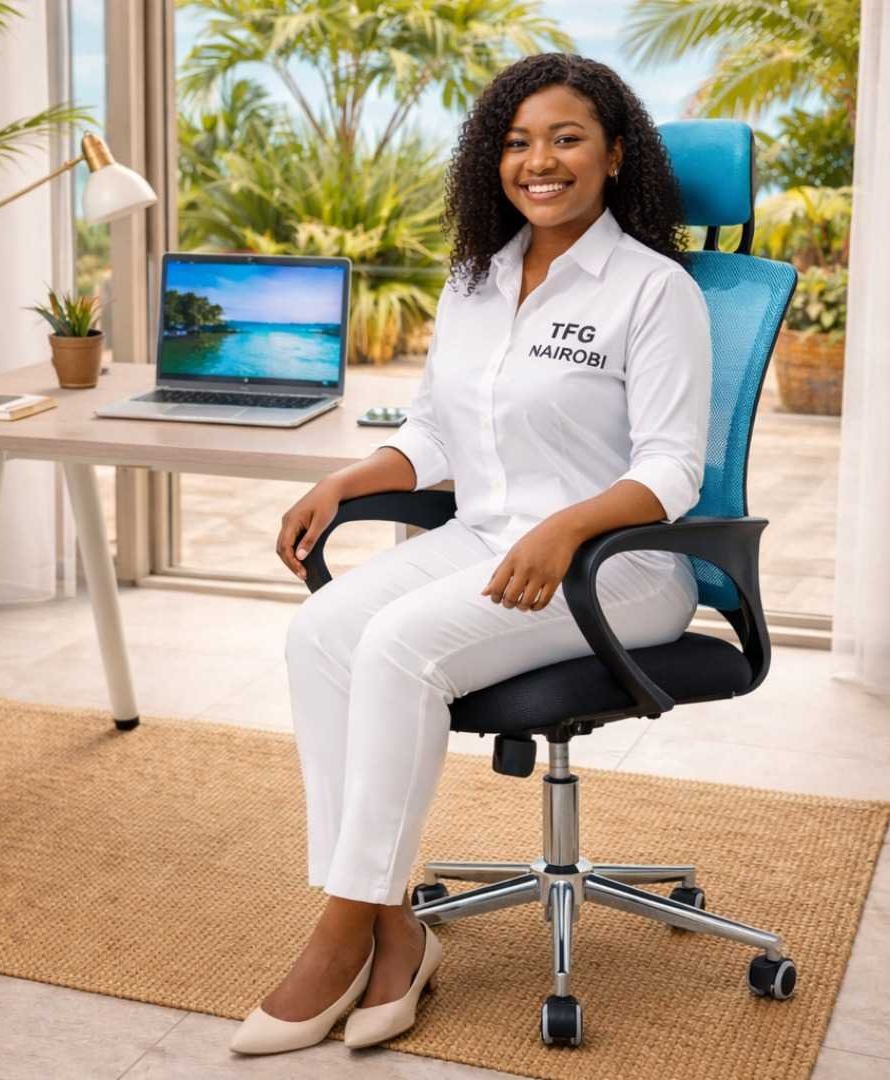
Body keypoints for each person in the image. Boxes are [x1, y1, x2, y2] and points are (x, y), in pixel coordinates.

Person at [230, 51, 712, 1056]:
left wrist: (567, 525)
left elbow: (674, 469)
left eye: (566, 138)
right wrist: (348, 481)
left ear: (616, 155)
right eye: (517, 142)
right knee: (323, 631)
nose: (539, 161)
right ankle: (392, 924)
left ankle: (337, 936)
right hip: (486, 541)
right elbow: (439, 436)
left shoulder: (653, 290)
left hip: (617, 569)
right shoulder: (476, 282)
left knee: (400, 645)